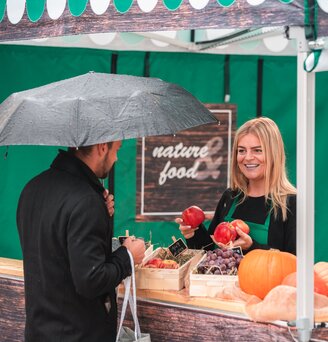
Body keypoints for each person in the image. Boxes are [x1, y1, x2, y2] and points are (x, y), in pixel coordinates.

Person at [17, 141, 146, 342]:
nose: (116, 158)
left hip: (39, 331)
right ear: (103, 147)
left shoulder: (32, 187)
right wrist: (127, 256)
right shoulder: (85, 200)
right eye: (116, 150)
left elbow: (57, 249)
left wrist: (99, 214)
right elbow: (91, 280)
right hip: (78, 333)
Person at [176, 117, 297, 255]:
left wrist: (251, 246)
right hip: (221, 277)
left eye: (257, 150)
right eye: (241, 150)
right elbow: (209, 251)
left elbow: (295, 263)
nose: (248, 157)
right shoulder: (231, 197)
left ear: (274, 154)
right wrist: (193, 233)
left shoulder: (290, 203)